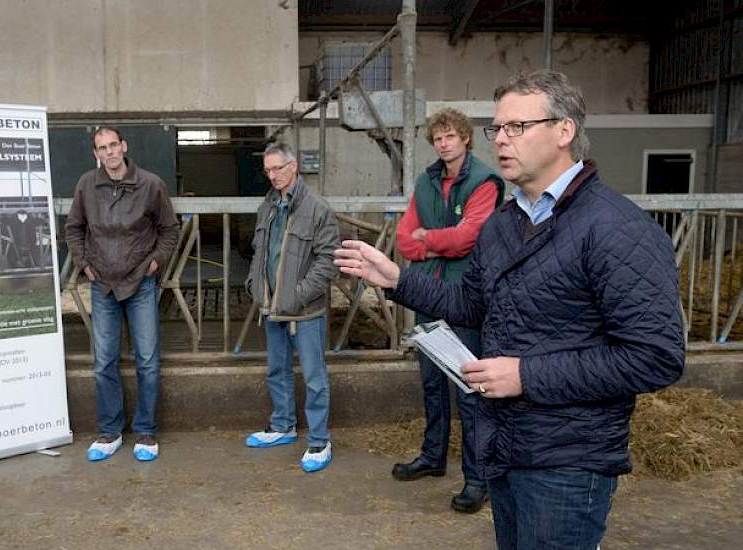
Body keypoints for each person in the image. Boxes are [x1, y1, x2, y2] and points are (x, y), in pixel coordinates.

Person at [334, 70, 684, 549]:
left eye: (516, 127)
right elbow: (471, 304)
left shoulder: (616, 228)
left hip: (570, 457)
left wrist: (527, 375)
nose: (500, 139)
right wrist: (397, 279)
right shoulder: (504, 223)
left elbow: (655, 355)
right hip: (506, 443)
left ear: (564, 131)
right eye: (496, 129)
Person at [393, 108, 504, 513]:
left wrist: (431, 238)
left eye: (450, 136)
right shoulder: (425, 181)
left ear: (465, 139)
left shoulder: (484, 182)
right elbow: (404, 240)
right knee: (431, 383)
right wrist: (433, 240)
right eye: (437, 138)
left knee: (470, 389)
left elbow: (468, 238)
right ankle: (433, 457)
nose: (443, 143)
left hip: (464, 295)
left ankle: (478, 478)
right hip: (428, 293)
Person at [64, 127, 179, 462]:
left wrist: (155, 262)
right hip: (102, 285)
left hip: (140, 282)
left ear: (124, 147)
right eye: (102, 148)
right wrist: (85, 264)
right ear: (96, 154)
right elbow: (74, 228)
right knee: (103, 362)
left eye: (114, 145)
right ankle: (110, 431)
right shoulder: (87, 184)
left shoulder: (150, 184)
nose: (110, 152)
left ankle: (146, 431)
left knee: (147, 360)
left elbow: (170, 228)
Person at [244, 142, 341, 473]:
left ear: (294, 166)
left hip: (304, 310)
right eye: (268, 170)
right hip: (272, 306)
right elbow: (260, 251)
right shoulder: (268, 207)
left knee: (314, 375)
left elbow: (328, 262)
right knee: (277, 370)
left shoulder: (317, 209)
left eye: (278, 169)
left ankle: (319, 439)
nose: (273, 176)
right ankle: (283, 425)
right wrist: (256, 286)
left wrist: (298, 294)